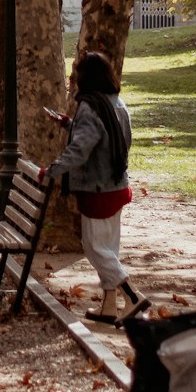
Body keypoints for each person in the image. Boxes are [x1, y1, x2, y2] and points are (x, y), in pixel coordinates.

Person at [42, 49, 149, 327]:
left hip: (96, 189)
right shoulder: (117, 104)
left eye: (77, 73)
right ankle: (109, 306)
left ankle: (132, 296)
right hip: (117, 184)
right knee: (108, 248)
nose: (73, 78)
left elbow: (81, 149)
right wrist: (69, 124)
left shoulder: (90, 105)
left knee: (94, 248)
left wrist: (52, 170)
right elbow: (107, 137)